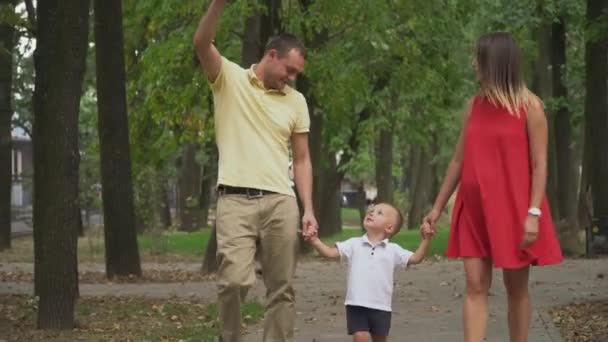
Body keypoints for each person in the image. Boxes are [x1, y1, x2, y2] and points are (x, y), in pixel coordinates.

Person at [421, 32, 563, 342]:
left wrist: (533, 213)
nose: (473, 64)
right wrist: (436, 207)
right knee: (474, 285)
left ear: (496, 63)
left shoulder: (530, 108)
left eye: (479, 59)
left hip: (513, 209)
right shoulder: (473, 106)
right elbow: (458, 161)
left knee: (516, 288)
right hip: (474, 208)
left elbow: (540, 165)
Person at [193, 1, 318, 341]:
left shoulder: (296, 102)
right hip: (234, 200)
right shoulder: (228, 79)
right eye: (289, 70)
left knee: (282, 289)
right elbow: (202, 43)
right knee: (233, 281)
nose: (291, 79)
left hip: (281, 201)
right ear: (272, 55)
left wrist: (308, 208)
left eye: (296, 74)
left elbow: (303, 159)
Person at [306, 203, 432, 342]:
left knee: (380, 338)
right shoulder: (354, 244)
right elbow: (330, 253)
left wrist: (426, 240)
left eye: (379, 213)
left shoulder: (393, 250)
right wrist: (315, 241)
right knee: (360, 336)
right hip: (356, 303)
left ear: (389, 228)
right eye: (371, 211)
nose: (371, 213)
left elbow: (415, 258)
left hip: (381, 305)